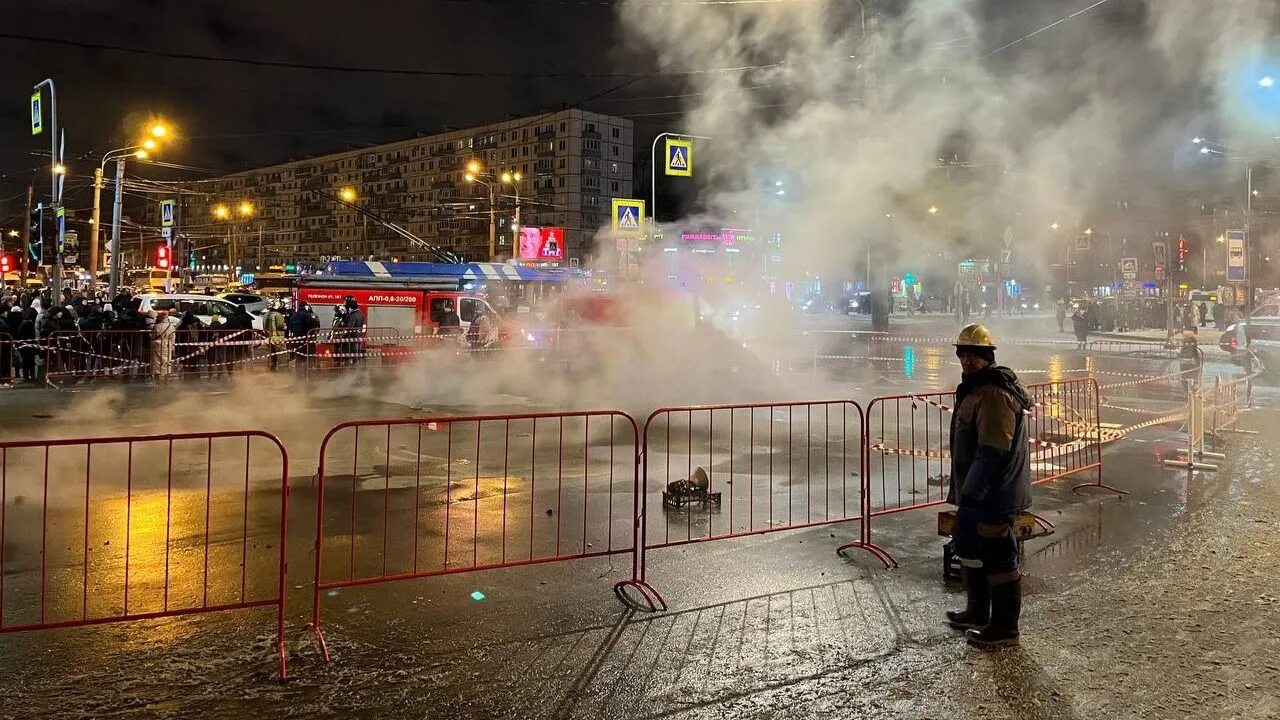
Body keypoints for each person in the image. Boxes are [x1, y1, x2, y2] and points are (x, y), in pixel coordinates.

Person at [945, 324, 1032, 649]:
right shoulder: (975, 389)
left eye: (974, 355)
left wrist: (973, 494)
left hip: (992, 493)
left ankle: (1005, 628)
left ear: (987, 357)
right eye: (963, 354)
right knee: (972, 549)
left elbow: (993, 450)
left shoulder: (994, 394)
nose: (967, 360)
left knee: (998, 555)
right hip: (977, 490)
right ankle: (978, 613)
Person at [262, 300, 288, 370]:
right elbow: (281, 325)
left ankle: (272, 369)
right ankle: (283, 371)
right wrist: (285, 326)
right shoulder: (278, 315)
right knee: (281, 355)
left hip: (269, 338)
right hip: (278, 337)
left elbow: (264, 326)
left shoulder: (266, 315)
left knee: (272, 355)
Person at [342, 296, 366, 364]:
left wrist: (343, 335)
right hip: (358, 337)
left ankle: (353, 370)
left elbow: (349, 327)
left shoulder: (354, 315)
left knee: (353, 354)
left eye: (345, 303)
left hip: (353, 338)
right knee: (357, 353)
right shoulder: (360, 313)